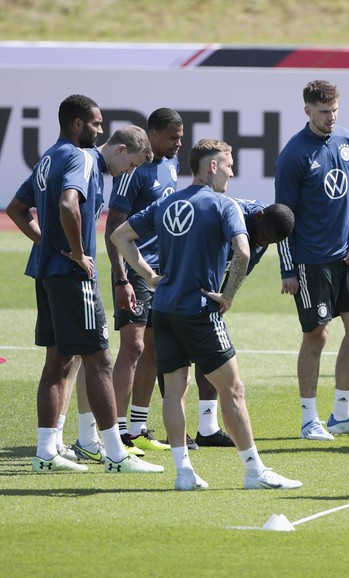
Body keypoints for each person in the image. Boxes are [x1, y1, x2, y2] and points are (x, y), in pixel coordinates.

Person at [111, 139, 301, 491]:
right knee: (234, 389)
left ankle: (184, 473)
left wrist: (150, 275)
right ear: (212, 166)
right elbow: (243, 252)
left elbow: (120, 235)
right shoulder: (224, 206)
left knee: (174, 392)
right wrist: (227, 296)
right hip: (199, 312)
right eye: (229, 164)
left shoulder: (167, 203)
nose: (232, 171)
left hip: (163, 307)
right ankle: (254, 471)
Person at [6, 94, 163, 474]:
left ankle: (46, 453)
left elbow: (15, 208)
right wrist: (76, 252)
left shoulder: (50, 156)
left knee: (59, 360)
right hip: (72, 275)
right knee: (101, 360)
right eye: (95, 123)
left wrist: (49, 245)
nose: (99, 129)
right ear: (78, 124)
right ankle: (113, 453)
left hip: (46, 271)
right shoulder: (82, 158)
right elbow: (67, 204)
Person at [274, 80, 349, 440]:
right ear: (307, 111)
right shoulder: (294, 155)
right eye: (323, 112)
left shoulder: (347, 141)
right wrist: (287, 268)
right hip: (309, 261)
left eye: (334, 110)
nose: (330, 118)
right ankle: (308, 420)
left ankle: (342, 414)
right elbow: (280, 218)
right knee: (317, 336)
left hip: (346, 257)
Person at [104, 107, 183, 455]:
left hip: (161, 273)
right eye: (172, 137)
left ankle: (137, 428)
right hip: (134, 270)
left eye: (181, 137)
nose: (178, 144)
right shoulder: (131, 171)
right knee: (133, 347)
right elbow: (113, 228)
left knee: (153, 349)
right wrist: (120, 277)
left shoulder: (172, 165)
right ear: (152, 134)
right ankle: (117, 431)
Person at [192, 200, 297, 429]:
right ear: (259, 216)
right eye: (264, 237)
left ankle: (207, 429)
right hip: (184, 278)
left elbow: (240, 271)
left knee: (211, 352)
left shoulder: (264, 231)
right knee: (175, 359)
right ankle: (141, 428)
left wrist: (225, 297)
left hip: (210, 284)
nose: (263, 242)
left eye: (270, 242)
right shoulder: (230, 215)